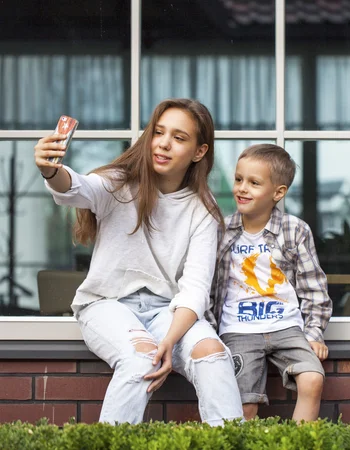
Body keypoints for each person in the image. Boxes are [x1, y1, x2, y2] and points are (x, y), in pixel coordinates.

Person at [33, 98, 244, 426]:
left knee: (212, 355)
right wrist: (50, 170)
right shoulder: (118, 184)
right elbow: (76, 188)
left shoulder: (203, 208)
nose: (163, 143)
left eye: (178, 137)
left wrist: (170, 342)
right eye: (158, 132)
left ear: (199, 152)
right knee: (140, 357)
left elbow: (195, 288)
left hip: (167, 312)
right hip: (106, 305)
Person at [208, 143, 332, 422]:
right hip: (238, 330)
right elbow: (207, 287)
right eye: (239, 179)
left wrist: (313, 333)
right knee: (244, 405)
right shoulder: (221, 230)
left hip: (286, 327)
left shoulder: (294, 230)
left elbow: (314, 287)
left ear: (278, 192)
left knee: (312, 379)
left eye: (254, 183)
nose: (241, 188)